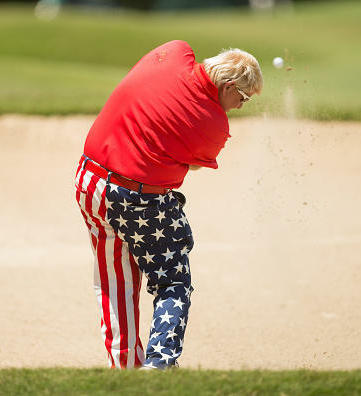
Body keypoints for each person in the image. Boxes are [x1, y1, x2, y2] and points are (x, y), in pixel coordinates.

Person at [74, 40, 263, 369]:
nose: (241, 106)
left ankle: (126, 372)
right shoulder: (215, 126)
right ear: (229, 86)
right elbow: (193, 163)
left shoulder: (175, 51)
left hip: (88, 182)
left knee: (117, 281)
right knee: (173, 283)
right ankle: (158, 369)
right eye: (243, 97)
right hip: (137, 200)